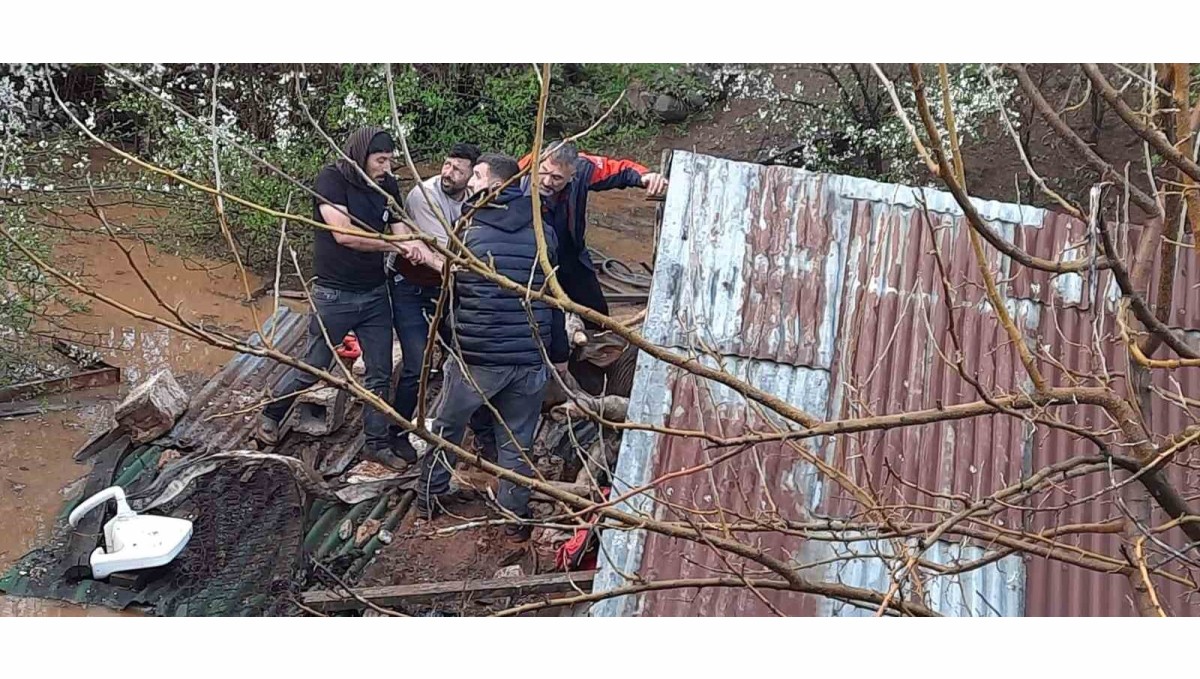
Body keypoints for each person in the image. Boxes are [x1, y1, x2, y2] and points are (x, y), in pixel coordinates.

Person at [417, 153, 569, 542]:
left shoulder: (467, 228)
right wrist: (558, 355)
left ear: (497, 186)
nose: (470, 183)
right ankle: (513, 515)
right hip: (528, 358)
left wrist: (448, 338)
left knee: (447, 429)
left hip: (476, 359)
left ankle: (428, 498)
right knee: (517, 442)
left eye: (477, 177)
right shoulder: (543, 232)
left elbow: (451, 294)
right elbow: (555, 298)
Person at [257, 126, 428, 471]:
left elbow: (402, 231)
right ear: (361, 157)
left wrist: (424, 253)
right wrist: (396, 246)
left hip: (375, 294)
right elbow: (343, 234)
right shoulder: (332, 180)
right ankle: (272, 414)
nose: (386, 167)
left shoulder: (387, 185)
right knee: (314, 366)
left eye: (390, 160)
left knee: (380, 373)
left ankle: (376, 444)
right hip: (334, 294)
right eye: (380, 160)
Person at [387, 142, 480, 460]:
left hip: (448, 289)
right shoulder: (424, 196)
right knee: (416, 364)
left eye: (458, 170)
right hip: (412, 287)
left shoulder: (474, 198)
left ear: (471, 176)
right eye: (447, 165)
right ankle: (397, 432)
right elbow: (440, 254)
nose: (448, 173)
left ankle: (478, 427)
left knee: (469, 353)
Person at [518, 141, 667, 317]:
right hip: (529, 255)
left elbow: (621, 170)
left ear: (572, 175)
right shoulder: (522, 169)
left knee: (596, 314)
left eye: (557, 178)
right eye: (543, 172)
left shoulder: (583, 168)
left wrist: (645, 176)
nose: (547, 181)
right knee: (539, 312)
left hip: (569, 251)